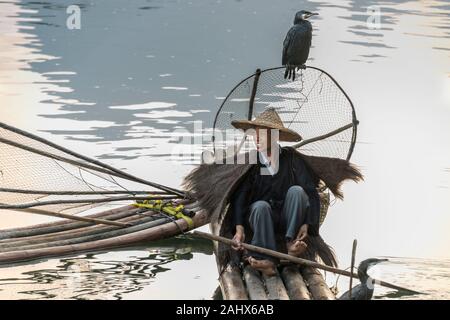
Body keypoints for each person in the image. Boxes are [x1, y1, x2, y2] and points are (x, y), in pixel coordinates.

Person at [229, 107, 321, 276]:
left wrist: (307, 223)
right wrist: (239, 229)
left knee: (297, 191)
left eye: (262, 134)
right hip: (261, 218)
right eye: (255, 134)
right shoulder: (252, 163)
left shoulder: (291, 158)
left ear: (275, 136)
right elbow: (240, 197)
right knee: (260, 206)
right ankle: (267, 260)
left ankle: (291, 244)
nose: (257, 139)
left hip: (287, 218)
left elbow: (311, 192)